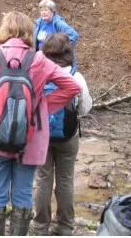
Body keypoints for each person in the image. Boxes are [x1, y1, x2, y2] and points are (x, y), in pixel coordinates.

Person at [0, 11, 81, 236]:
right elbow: (72, 87)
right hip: (29, 139)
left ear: (4, 31)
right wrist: (42, 106)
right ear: (30, 32)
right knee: (23, 195)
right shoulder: (39, 60)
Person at [32, 33, 93, 236]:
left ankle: (41, 227)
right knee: (65, 179)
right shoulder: (75, 76)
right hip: (68, 135)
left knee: (42, 179)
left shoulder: (38, 73)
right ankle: (65, 227)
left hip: (40, 134)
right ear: (68, 52)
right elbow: (85, 108)